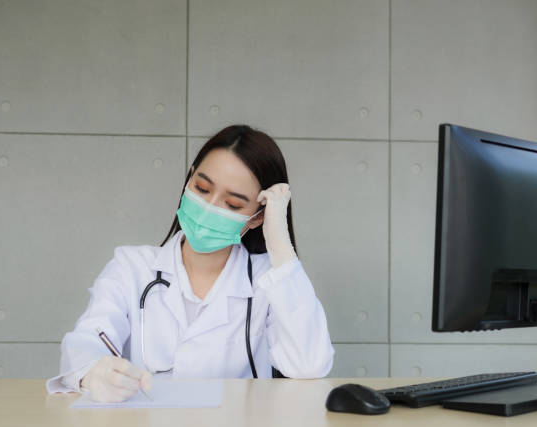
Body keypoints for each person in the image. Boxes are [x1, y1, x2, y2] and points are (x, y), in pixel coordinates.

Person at [46, 125, 335, 402]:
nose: (209, 207)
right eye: (202, 188)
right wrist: (93, 373)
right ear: (189, 178)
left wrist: (281, 249)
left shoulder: (270, 281)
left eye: (233, 205)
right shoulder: (132, 267)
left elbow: (309, 365)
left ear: (257, 216)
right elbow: (86, 340)